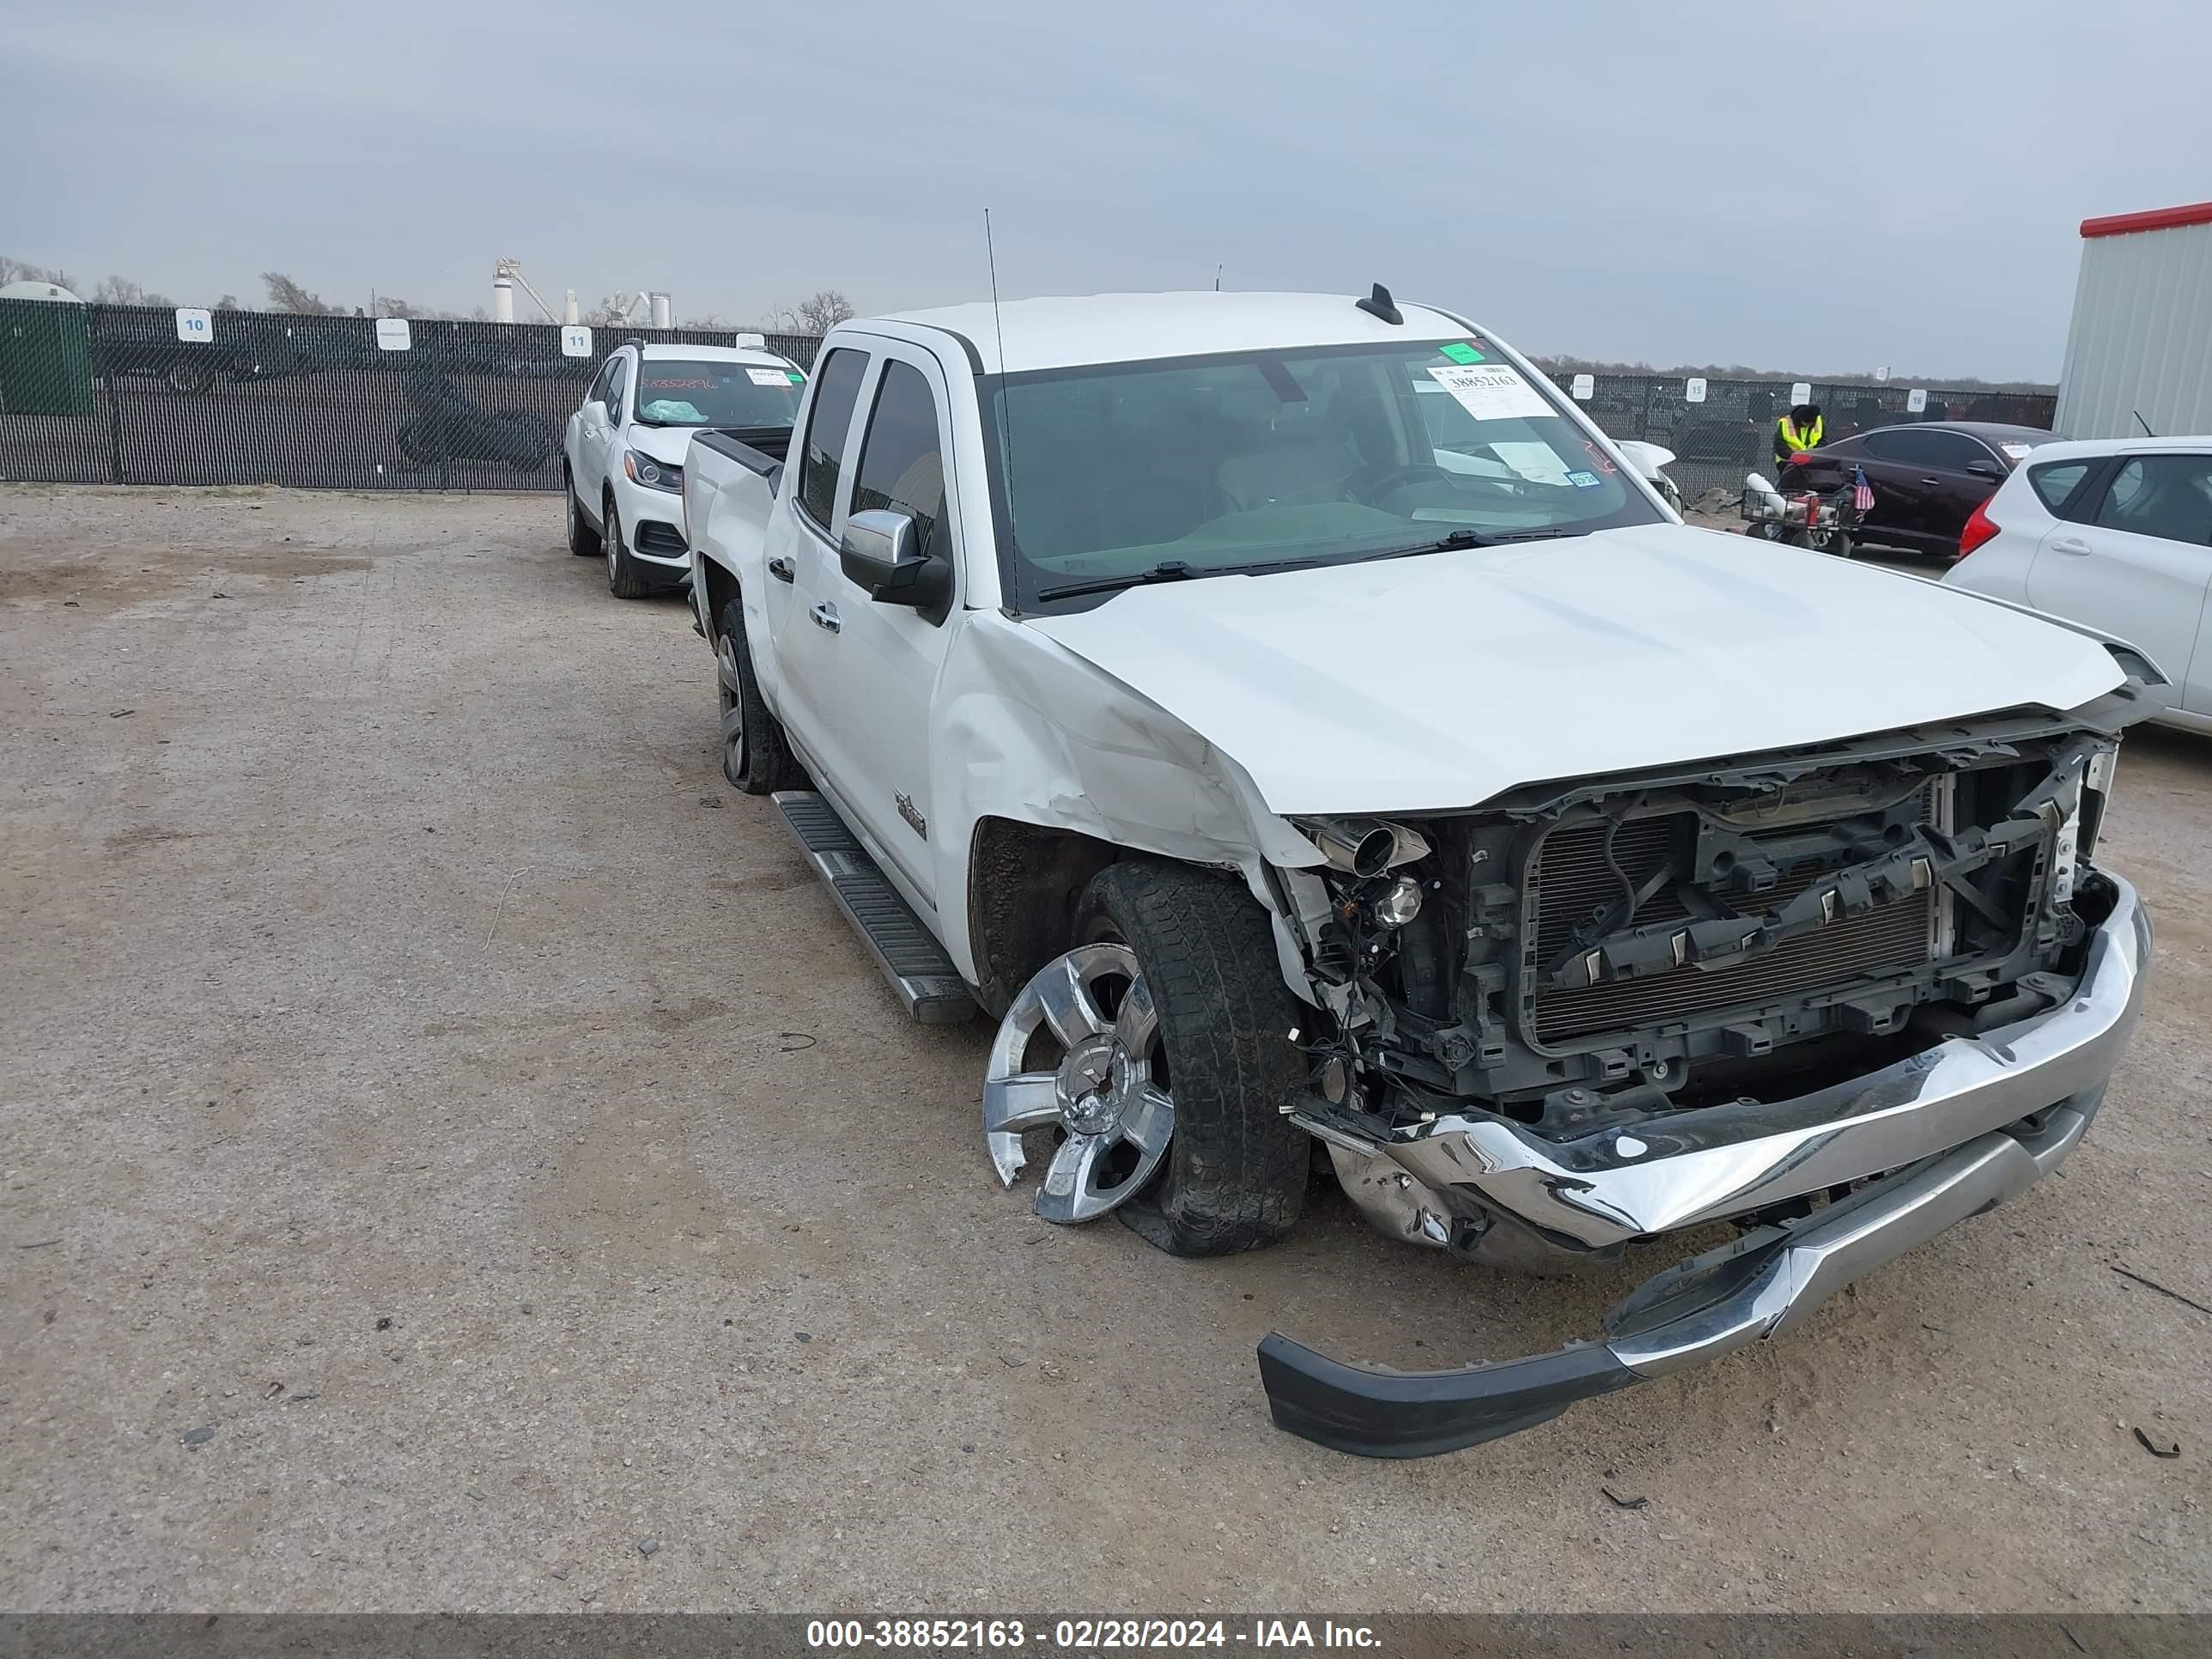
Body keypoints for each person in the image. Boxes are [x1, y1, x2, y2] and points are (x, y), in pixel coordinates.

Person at [1773, 402, 1824, 469]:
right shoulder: (1785, 423)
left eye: (1810, 424)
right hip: (1787, 462)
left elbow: (1823, 440)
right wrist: (1794, 457)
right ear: (1801, 419)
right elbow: (1779, 445)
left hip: (1810, 462)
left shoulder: (1818, 422)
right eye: (1806, 423)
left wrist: (1814, 456)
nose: (1808, 426)